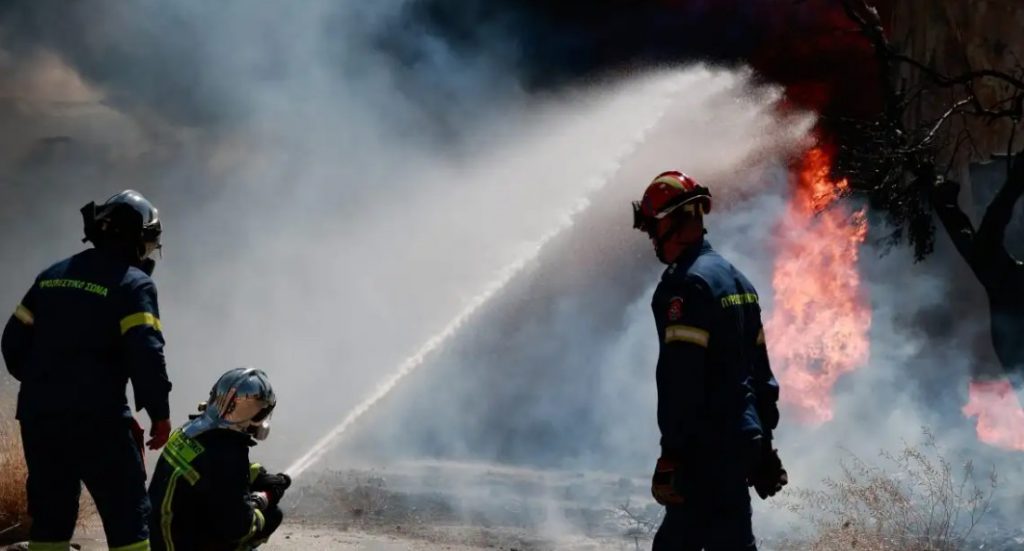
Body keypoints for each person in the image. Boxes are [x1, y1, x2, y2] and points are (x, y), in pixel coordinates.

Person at [2, 190, 172, 551]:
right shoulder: (134, 284)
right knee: (128, 518)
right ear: (136, 239)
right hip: (100, 421)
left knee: (50, 521)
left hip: (40, 418)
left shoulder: (51, 276)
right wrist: (159, 413)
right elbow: (146, 353)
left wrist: (45, 384)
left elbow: (12, 344)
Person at [631, 171, 788, 550]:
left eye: (655, 228)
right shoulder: (739, 283)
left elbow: (681, 380)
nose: (653, 239)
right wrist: (763, 444)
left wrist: (672, 453)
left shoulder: (685, 287)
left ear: (676, 222)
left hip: (705, 450)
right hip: (739, 445)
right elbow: (760, 375)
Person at [149, 368, 290, 551]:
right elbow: (238, 528)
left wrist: (253, 474)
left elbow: (208, 474)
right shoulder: (228, 454)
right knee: (272, 516)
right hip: (182, 543)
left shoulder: (190, 431)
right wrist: (261, 503)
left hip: (161, 537)